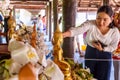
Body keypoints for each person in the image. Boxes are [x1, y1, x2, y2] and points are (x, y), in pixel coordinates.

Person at [63, 5, 120, 80]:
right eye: (98, 18)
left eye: (105, 19)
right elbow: (78, 30)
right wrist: (63, 35)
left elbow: (113, 46)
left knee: (104, 77)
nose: (101, 22)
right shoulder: (90, 24)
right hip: (90, 53)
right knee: (88, 76)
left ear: (111, 19)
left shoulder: (115, 32)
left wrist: (103, 49)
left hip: (105, 55)